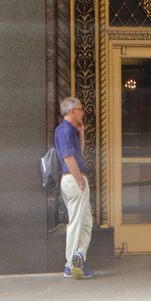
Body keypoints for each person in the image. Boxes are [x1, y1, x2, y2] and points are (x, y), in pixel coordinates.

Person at [54, 96, 94, 279]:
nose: (83, 112)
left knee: (86, 222)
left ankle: (79, 257)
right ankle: (70, 265)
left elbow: (78, 153)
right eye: (80, 109)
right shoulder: (63, 131)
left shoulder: (70, 130)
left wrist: (82, 133)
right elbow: (69, 159)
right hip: (73, 180)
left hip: (73, 179)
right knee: (77, 223)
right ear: (72, 111)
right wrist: (80, 180)